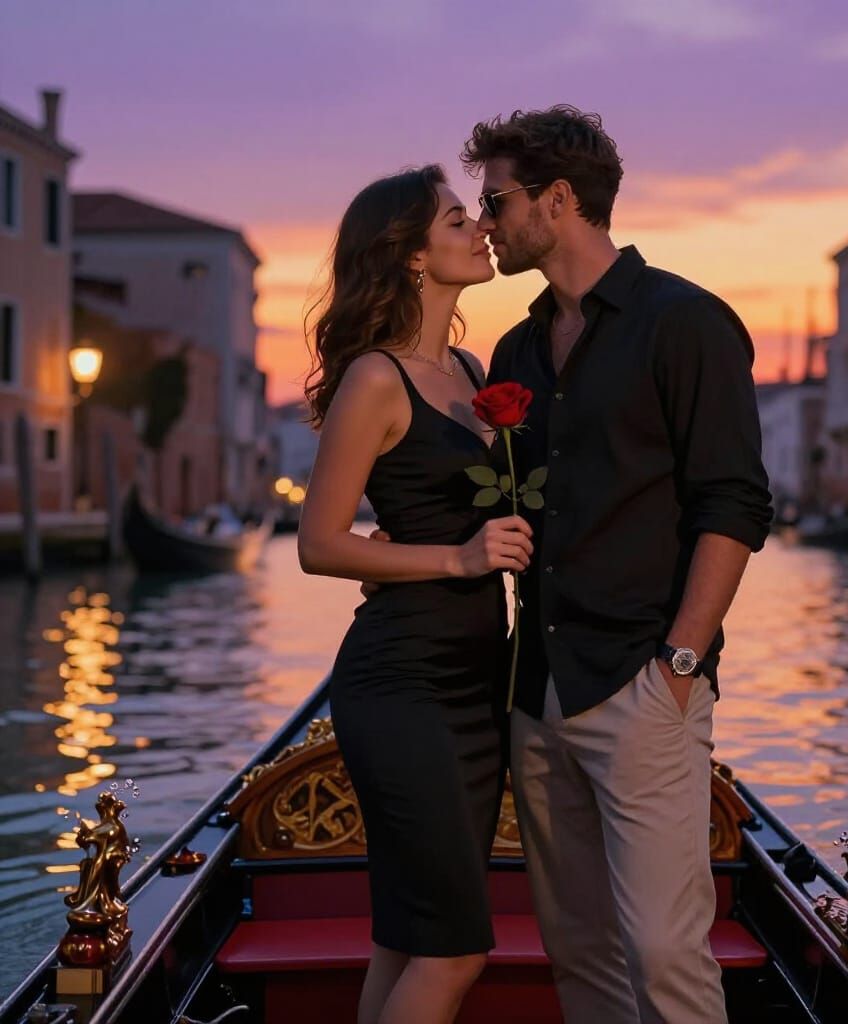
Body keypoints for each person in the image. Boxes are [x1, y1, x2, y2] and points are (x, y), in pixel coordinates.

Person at [464, 106, 774, 1023]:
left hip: (644, 682)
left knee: (664, 953)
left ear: (558, 201)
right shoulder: (518, 348)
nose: (485, 220)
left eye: (496, 200)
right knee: (581, 953)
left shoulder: (686, 323)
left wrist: (680, 664)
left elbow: (736, 504)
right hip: (539, 686)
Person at [297, 164, 533, 1024]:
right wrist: (458, 560)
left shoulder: (474, 369)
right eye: (456, 219)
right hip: (401, 684)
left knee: (403, 937)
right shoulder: (374, 379)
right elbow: (318, 544)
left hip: (478, 685)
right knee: (454, 949)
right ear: (409, 257)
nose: (479, 229)